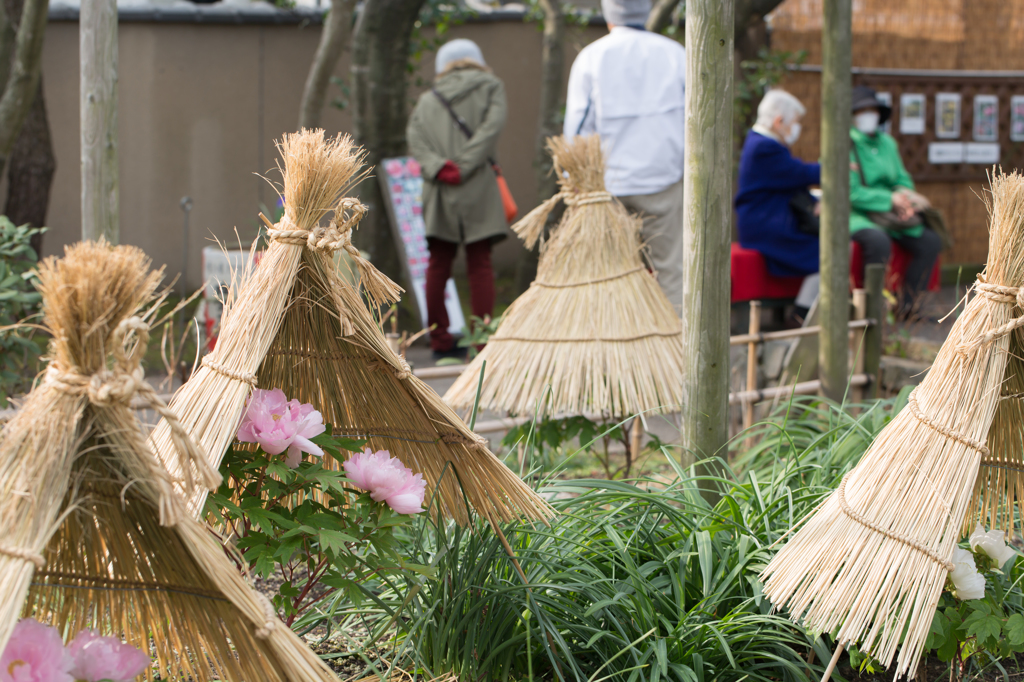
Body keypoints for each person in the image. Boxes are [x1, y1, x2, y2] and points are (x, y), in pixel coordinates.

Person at [563, 0, 686, 314]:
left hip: (607, 186)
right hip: (666, 177)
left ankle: (612, 353)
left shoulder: (592, 57)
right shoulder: (675, 54)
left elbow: (578, 129)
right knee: (671, 272)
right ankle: (677, 352)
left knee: (608, 273)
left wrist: (570, 180)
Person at [407, 39, 508, 358]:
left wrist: (440, 167)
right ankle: (482, 342)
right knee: (480, 262)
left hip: (439, 188)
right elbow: (491, 130)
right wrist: (466, 165)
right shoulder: (492, 87)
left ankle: (441, 345)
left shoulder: (427, 100)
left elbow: (415, 140)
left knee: (439, 263)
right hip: (478, 182)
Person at [849, 85, 942, 316]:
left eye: (873, 110)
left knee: (930, 241)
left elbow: (902, 179)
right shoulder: (844, 144)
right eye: (862, 110)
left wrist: (906, 200)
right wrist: (889, 199)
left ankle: (909, 305)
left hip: (892, 213)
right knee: (878, 241)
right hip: (857, 213)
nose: (869, 115)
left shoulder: (888, 143)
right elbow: (850, 192)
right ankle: (871, 307)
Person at [735, 89, 821, 325]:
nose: (796, 128)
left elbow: (788, 180)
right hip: (766, 227)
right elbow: (798, 173)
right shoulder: (764, 147)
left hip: (769, 222)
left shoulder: (762, 142)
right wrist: (832, 166)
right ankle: (801, 315)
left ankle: (802, 312)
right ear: (779, 121)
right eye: (795, 122)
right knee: (826, 253)